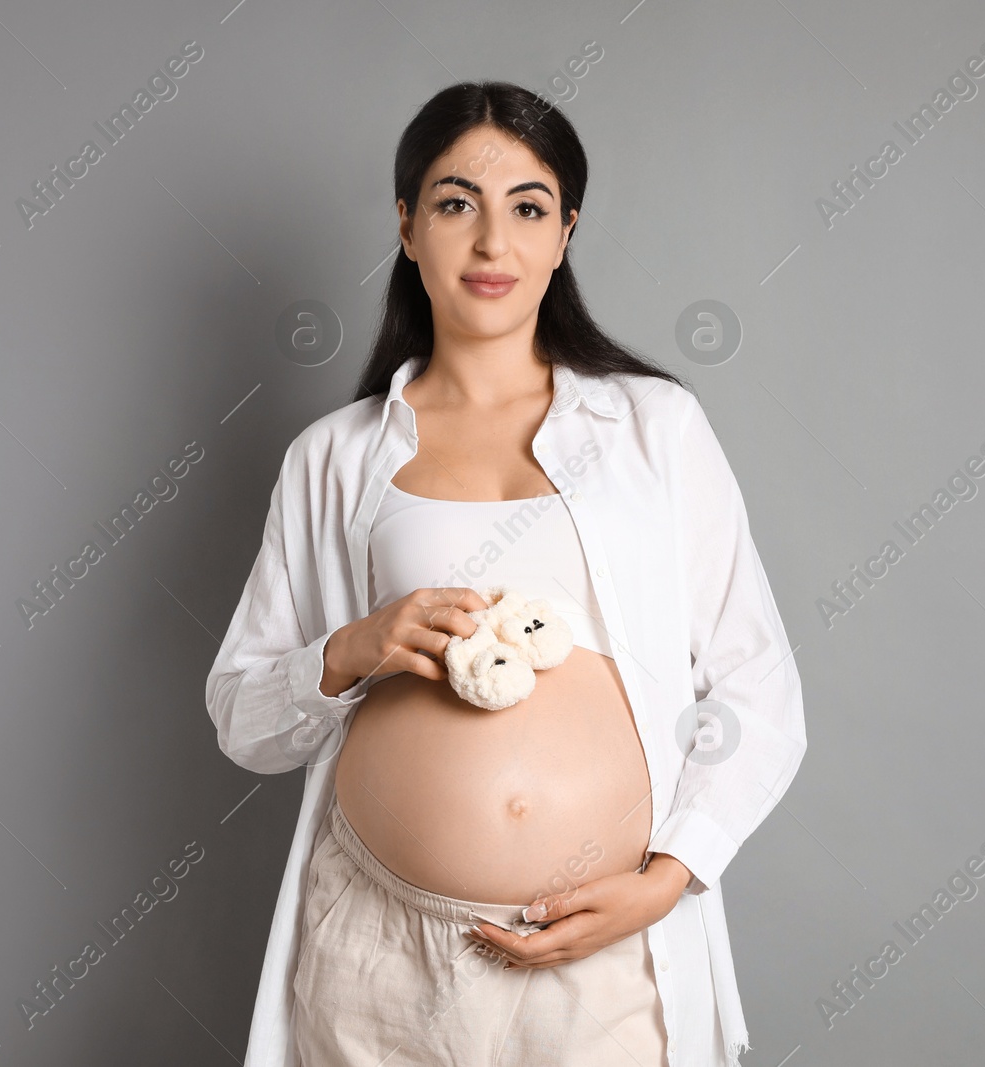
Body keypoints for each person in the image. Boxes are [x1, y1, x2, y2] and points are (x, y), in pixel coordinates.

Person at [205, 80, 806, 1067]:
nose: (492, 242)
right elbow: (243, 716)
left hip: (598, 955)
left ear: (564, 230)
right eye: (455, 203)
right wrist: (353, 647)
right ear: (406, 226)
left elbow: (757, 685)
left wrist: (670, 875)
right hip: (375, 955)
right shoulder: (335, 456)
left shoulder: (653, 429)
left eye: (527, 207)